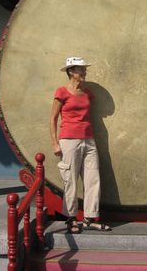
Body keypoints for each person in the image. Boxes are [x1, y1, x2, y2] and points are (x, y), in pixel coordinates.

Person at [50, 56, 111, 233]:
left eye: (84, 69)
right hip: (69, 140)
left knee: (93, 179)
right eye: (81, 69)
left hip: (89, 140)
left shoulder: (87, 93)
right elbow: (53, 119)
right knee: (70, 180)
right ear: (71, 72)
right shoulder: (61, 92)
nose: (85, 72)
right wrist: (55, 143)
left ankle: (89, 218)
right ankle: (70, 219)